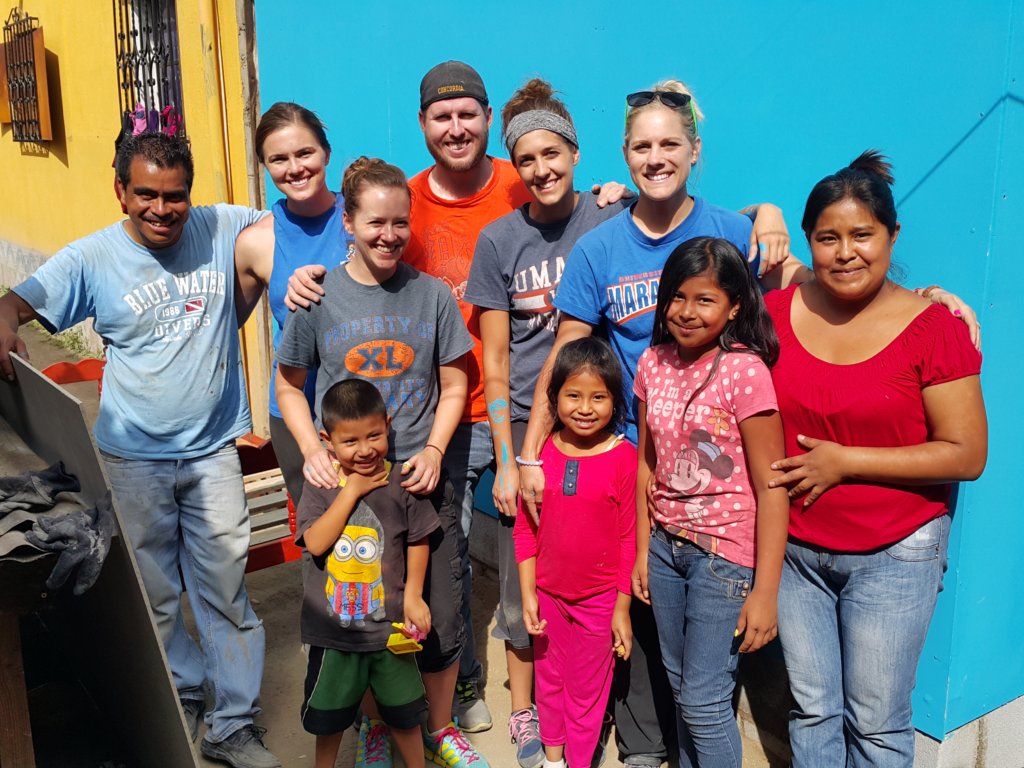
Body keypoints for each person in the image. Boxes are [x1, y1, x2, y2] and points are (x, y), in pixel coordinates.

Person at [284, 61, 629, 756]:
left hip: (473, 425)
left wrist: (760, 216)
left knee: (455, 573)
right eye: (441, 116)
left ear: (488, 119)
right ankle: (399, 708)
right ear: (423, 124)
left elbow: (634, 205)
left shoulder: (522, 181)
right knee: (372, 586)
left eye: (468, 113)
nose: (456, 127)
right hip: (426, 435)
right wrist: (305, 278)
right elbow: (313, 329)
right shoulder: (392, 208)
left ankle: (465, 705)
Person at [518, 78, 804, 768]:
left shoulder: (732, 232)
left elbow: (806, 281)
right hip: (635, 466)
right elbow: (565, 355)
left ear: (694, 150)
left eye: (670, 143)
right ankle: (646, 748)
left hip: (720, 517)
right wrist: (529, 455)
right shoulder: (598, 249)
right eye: (642, 146)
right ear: (624, 154)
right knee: (643, 631)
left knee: (701, 685)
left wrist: (918, 299)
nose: (656, 157)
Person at [0, 133, 282, 768]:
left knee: (225, 593)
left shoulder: (221, 226)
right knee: (154, 594)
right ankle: (181, 693)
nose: (162, 209)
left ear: (190, 195)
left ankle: (233, 725)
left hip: (212, 451)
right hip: (132, 459)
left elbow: (288, 224)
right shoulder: (92, 257)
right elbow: (14, 304)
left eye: (175, 196)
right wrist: (4, 323)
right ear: (121, 190)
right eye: (147, 195)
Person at [765, 151, 987, 767]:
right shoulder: (776, 312)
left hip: (895, 553)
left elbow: (967, 454)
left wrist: (845, 462)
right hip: (795, 552)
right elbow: (701, 229)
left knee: (877, 722)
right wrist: (765, 211)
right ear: (808, 241)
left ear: (892, 235)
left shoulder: (934, 327)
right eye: (827, 238)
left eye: (862, 235)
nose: (846, 253)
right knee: (811, 709)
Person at [273, 158, 485, 767]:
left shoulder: (432, 296)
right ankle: (373, 725)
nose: (389, 235)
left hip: (417, 481)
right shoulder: (317, 298)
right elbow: (288, 386)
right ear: (348, 222)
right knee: (359, 618)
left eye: (399, 222)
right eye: (375, 223)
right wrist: (313, 450)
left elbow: (454, 383)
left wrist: (435, 450)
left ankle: (439, 729)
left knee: (438, 610)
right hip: (350, 488)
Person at [463, 77, 630, 768]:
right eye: (526, 159)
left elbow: (686, 223)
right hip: (529, 430)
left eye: (552, 154)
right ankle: (526, 708)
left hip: (597, 423)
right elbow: (497, 361)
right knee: (521, 573)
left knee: (598, 560)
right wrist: (511, 460)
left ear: (575, 152)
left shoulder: (610, 214)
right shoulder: (500, 240)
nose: (541, 169)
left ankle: (589, 699)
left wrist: (767, 214)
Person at [632, 237, 790, 767]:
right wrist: (642, 551)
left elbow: (772, 485)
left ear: (734, 306)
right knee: (682, 689)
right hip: (665, 549)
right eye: (677, 297)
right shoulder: (652, 362)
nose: (687, 311)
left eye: (705, 300)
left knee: (704, 702)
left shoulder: (744, 371)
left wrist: (765, 592)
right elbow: (647, 465)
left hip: (722, 559)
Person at [295, 379, 438, 768]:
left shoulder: (402, 480)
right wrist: (351, 490)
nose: (364, 449)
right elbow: (316, 543)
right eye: (350, 441)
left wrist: (413, 596)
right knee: (329, 720)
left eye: (374, 435)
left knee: (405, 716)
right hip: (332, 633)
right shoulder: (322, 485)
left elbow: (419, 539)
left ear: (388, 425)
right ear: (327, 441)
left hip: (391, 630)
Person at [514, 336, 638, 768]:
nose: (585, 408)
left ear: (615, 401)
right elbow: (525, 532)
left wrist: (621, 608)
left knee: (587, 694)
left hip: (599, 602)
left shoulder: (624, 459)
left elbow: (629, 539)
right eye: (573, 395)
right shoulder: (541, 454)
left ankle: (580, 761)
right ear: (554, 398)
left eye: (598, 397)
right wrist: (528, 594)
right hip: (548, 596)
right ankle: (553, 760)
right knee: (548, 684)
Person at [235, 102, 353, 506]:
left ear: (326, 153)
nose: (295, 168)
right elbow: (222, 326)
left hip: (371, 409)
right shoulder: (256, 242)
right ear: (265, 166)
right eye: (279, 159)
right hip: (296, 415)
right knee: (319, 532)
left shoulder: (364, 221)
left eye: (305, 153)